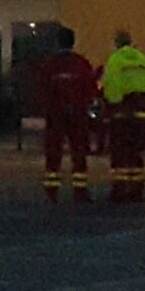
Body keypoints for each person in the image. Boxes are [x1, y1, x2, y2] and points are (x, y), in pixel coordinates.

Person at [34, 27, 97, 203]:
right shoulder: (81, 63)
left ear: (57, 42)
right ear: (73, 42)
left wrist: (49, 107)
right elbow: (90, 88)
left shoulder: (50, 65)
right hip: (78, 115)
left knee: (53, 152)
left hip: (56, 115)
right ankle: (80, 191)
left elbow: (42, 89)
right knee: (79, 152)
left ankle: (51, 192)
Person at [103, 31, 145, 203]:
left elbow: (112, 84)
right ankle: (137, 190)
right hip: (142, 109)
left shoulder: (115, 59)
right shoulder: (142, 59)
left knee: (120, 150)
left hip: (123, 110)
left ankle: (120, 189)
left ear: (116, 43)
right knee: (136, 150)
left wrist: (112, 106)